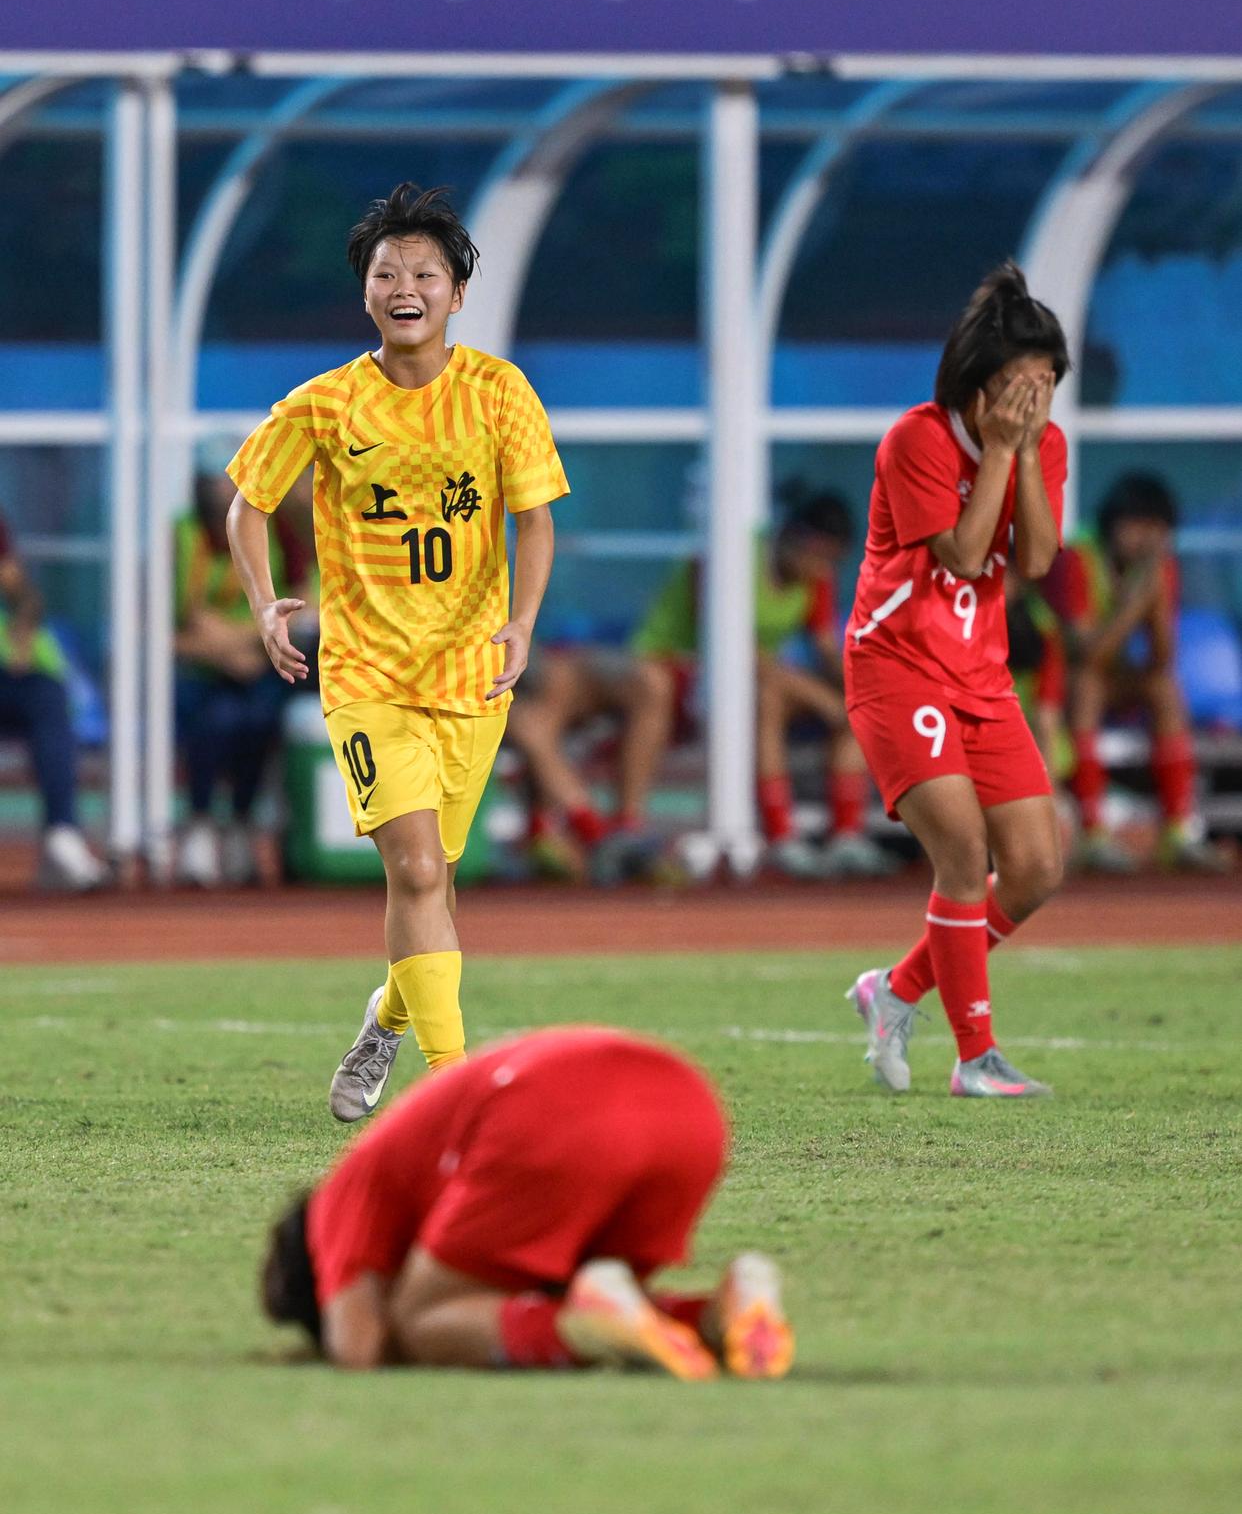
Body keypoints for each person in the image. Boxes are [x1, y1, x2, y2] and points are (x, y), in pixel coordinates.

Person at [226, 183, 569, 1120]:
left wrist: (522, 622)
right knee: (415, 872)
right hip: (367, 675)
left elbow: (535, 520)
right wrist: (263, 602)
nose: (405, 287)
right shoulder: (325, 404)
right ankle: (460, 1095)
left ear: (458, 293)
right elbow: (248, 503)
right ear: (366, 292)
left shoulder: (499, 392)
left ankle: (385, 1019)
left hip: (472, 676)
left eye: (424, 273)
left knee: (436, 885)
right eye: (387, 273)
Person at [260, 1024, 794, 1380]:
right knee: (588, 1304)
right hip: (690, 1107)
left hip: (556, 1109)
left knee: (422, 1320)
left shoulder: (337, 1199)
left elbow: (358, 1346)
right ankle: (719, 1314)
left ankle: (579, 1334)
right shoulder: (412, 1176)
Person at [843, 262, 1069, 1099]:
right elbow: (966, 554)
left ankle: (896, 988)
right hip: (897, 664)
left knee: (1036, 866)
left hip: (980, 672)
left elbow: (1036, 560)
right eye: (1018, 386)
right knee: (965, 852)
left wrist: (1024, 452)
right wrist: (1003, 451)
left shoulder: (1045, 444)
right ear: (978, 383)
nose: (1033, 403)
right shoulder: (918, 440)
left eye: (1047, 385)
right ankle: (976, 1057)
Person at [508, 490, 892, 881]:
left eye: (832, 560)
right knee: (763, 694)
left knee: (841, 703)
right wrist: (826, 702)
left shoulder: (815, 578)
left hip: (736, 684)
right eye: (818, 554)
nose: (822, 569)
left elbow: (822, 647)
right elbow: (732, 652)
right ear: (793, 537)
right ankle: (772, 834)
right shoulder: (728, 558)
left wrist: (862, 694)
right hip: (688, 675)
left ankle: (845, 833)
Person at [1041, 471, 1227, 872]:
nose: (1146, 539)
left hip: (1114, 676)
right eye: (1138, 526)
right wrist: (1134, 604)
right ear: (1114, 523)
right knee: (1087, 685)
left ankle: (1179, 831)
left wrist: (1154, 602)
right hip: (1057, 685)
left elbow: (1161, 658)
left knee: (1163, 688)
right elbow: (1086, 654)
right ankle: (1093, 835)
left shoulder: (1159, 568)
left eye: (1157, 530)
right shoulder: (1077, 558)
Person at [173, 462, 293, 887]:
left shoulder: (268, 530)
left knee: (260, 719)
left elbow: (284, 610)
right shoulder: (185, 536)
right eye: (216, 482)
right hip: (199, 670)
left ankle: (242, 821)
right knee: (213, 721)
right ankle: (200, 823)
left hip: (256, 662)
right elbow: (184, 624)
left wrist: (245, 641)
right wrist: (231, 649)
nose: (225, 492)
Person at [0, 507, 108, 890]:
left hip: (12, 676)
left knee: (47, 698)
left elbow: (24, 594)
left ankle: (62, 836)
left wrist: (22, 630)